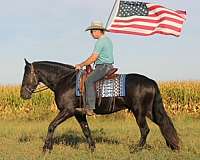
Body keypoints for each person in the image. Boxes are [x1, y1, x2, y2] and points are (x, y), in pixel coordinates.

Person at [75, 20, 114, 116]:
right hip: (105, 66)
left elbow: (93, 57)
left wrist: (81, 64)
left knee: (89, 81)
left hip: (103, 67)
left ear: (97, 31)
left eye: (91, 31)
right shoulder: (107, 40)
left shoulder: (101, 42)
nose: (91, 34)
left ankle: (90, 107)